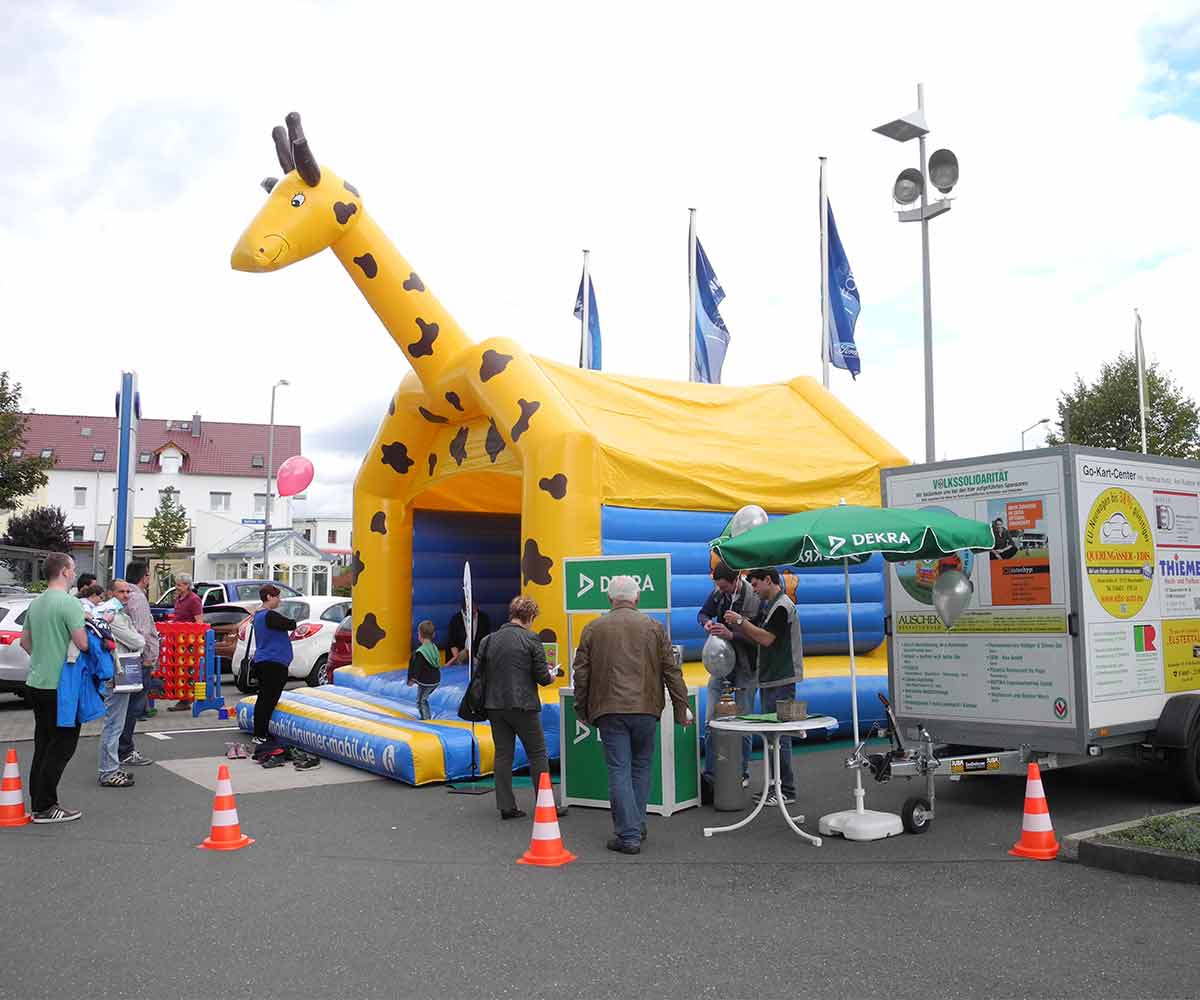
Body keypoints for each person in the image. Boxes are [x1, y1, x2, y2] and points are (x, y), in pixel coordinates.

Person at [573, 575, 692, 854]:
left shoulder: (593, 629)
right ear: (637, 598)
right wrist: (681, 706)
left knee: (619, 769)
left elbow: (582, 675)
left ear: (609, 599)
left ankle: (628, 834)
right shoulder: (654, 627)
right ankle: (636, 825)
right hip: (647, 708)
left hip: (609, 709)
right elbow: (671, 671)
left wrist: (581, 709)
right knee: (641, 768)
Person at [722, 567, 804, 806]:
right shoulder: (773, 605)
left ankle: (785, 789)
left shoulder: (781, 606)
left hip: (782, 680)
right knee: (774, 736)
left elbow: (766, 638)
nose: (754, 591)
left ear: (769, 580)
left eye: (756, 585)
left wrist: (739, 622)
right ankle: (777, 786)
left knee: (780, 736)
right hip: (773, 679)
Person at [19, 553, 89, 823]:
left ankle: (38, 803)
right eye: (72, 569)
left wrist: (44, 655)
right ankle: (47, 806)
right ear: (63, 571)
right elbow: (82, 643)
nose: (74, 573)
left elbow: (25, 642)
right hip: (62, 685)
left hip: (36, 681)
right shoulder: (69, 603)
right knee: (63, 745)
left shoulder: (35, 603)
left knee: (44, 743)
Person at [478, 597, 561, 819]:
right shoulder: (531, 639)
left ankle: (506, 806)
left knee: (503, 755)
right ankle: (546, 804)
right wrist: (552, 675)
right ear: (530, 617)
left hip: (494, 705)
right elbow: (543, 678)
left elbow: (481, 673)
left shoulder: (489, 640)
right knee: (537, 754)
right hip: (524, 705)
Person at [697, 560, 761, 788]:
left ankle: (742, 772)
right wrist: (706, 623)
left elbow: (760, 638)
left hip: (746, 668)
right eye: (718, 587)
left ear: (736, 582)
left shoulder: (753, 598)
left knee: (744, 723)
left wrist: (732, 634)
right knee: (711, 721)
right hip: (722, 666)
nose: (720, 590)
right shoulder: (718, 592)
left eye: (724, 587)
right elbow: (703, 613)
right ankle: (712, 774)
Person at [96, 579, 145, 788]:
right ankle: (108, 771)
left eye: (128, 591)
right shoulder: (113, 615)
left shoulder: (119, 614)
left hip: (120, 672)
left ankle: (112, 767)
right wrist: (136, 640)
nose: (125, 595)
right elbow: (138, 642)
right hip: (117, 673)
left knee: (116, 722)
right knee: (114, 724)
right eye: (121, 592)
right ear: (110, 593)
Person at [118, 560, 159, 767]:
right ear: (145, 577)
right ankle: (125, 749)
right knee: (132, 707)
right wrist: (148, 656)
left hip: (126, 658)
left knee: (123, 706)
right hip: (140, 659)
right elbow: (142, 631)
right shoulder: (138, 598)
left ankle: (118, 746)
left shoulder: (125, 597)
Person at [250, 584, 298, 756]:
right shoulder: (269, 615)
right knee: (268, 699)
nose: (280, 600)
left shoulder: (258, 615)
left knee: (265, 697)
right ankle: (261, 734)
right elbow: (291, 624)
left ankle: (260, 732)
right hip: (274, 662)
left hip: (264, 661)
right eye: (278, 597)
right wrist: (294, 620)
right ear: (269, 597)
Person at [168, 573, 204, 711]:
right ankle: (183, 698)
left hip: (189, 640)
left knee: (188, 670)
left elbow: (199, 621)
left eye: (179, 585)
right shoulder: (179, 598)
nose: (177, 587)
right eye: (176, 584)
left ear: (188, 586)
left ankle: (186, 699)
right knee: (178, 669)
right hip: (177, 639)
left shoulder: (194, 600)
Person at [406, 619, 441, 720]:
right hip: (436, 680)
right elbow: (437, 662)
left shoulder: (420, 652)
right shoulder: (434, 647)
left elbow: (417, 668)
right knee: (423, 698)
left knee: (421, 701)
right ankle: (425, 716)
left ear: (419, 635)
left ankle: (426, 719)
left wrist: (411, 680)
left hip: (426, 682)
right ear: (433, 634)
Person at [446, 598, 492, 665]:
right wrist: (457, 659)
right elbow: (452, 643)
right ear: (464, 611)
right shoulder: (455, 619)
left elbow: (487, 640)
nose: (473, 614)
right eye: (471, 613)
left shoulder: (484, 619)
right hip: (460, 654)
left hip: (478, 655)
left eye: (475, 611)